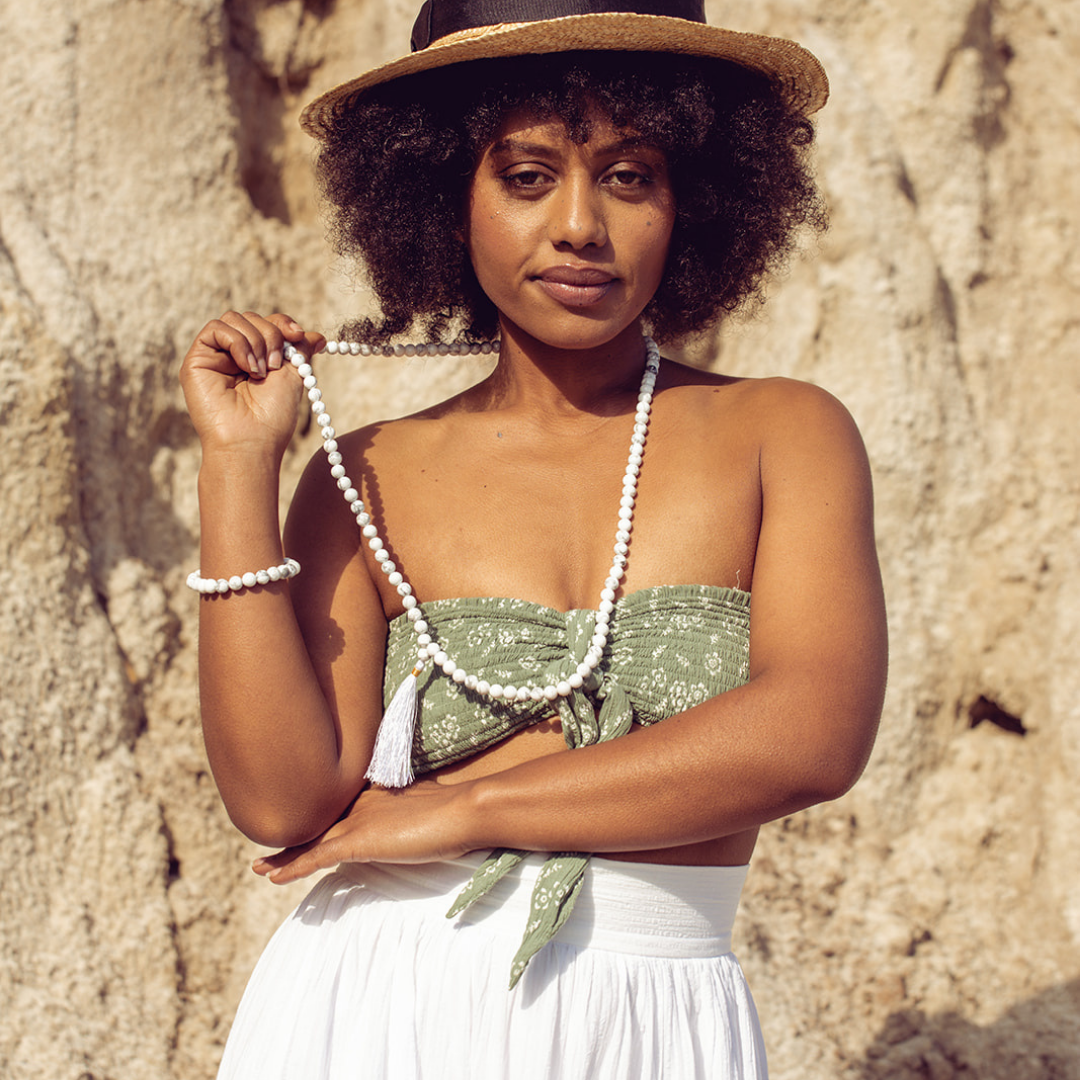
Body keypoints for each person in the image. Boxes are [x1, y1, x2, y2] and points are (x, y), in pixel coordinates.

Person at [179, 2, 887, 1077]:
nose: (579, 225)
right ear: (442, 198)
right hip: (374, 1004)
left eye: (629, 175)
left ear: (693, 198)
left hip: (654, 1015)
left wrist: (465, 810)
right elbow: (281, 800)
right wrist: (237, 464)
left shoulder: (782, 435)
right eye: (525, 175)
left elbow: (814, 735)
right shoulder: (366, 471)